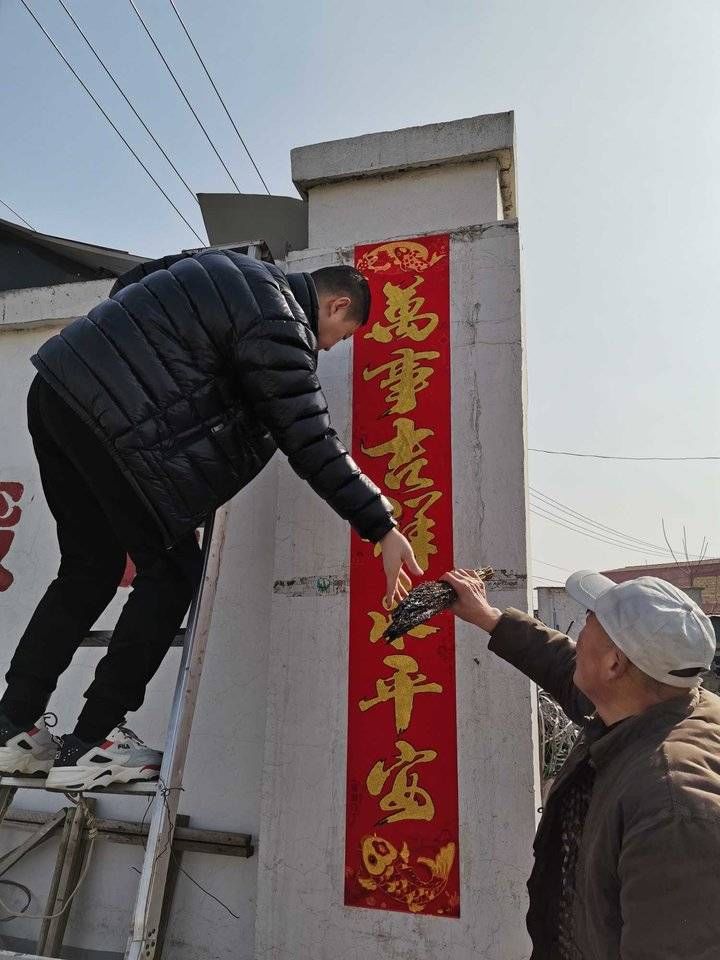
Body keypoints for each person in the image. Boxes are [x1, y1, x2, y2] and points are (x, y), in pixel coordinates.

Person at [0, 249, 421, 792]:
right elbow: (309, 438)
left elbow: (130, 282)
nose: (328, 347)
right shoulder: (283, 323)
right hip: (113, 429)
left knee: (89, 567)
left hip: (57, 389)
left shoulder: (224, 265)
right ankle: (91, 742)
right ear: (337, 303)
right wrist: (381, 526)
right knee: (173, 573)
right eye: (339, 335)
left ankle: (12, 726)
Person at [442, 567, 720, 959]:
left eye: (589, 622)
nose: (579, 636)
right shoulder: (653, 703)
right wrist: (489, 617)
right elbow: (563, 665)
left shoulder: (673, 807)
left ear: (613, 665)